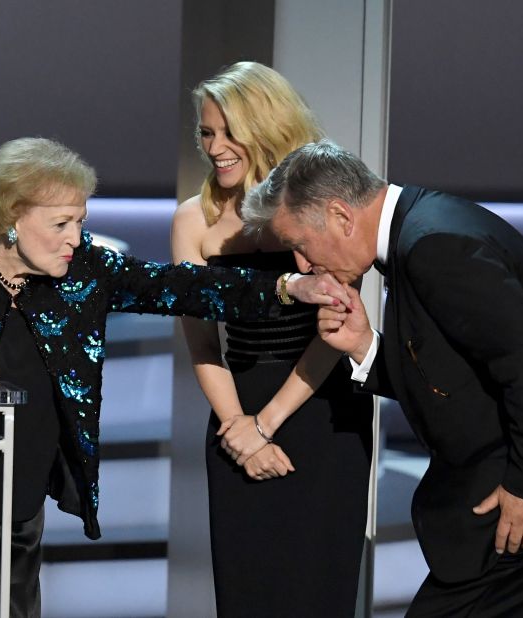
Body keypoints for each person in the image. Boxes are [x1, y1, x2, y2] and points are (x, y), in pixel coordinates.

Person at [0, 137, 342, 617]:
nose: (75, 238)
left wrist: (287, 289)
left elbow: (182, 287)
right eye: (62, 223)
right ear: (12, 216)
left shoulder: (88, 270)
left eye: (80, 222)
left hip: (10, 500)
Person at [240, 139, 523, 617]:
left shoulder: (435, 245)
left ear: (341, 216)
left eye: (299, 246)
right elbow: (455, 379)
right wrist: (365, 347)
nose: (302, 266)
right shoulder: (421, 230)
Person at [171, 62, 373, 616]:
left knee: (316, 590)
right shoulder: (194, 219)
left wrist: (266, 424)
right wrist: (239, 428)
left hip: (321, 410)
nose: (215, 148)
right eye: (206, 133)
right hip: (235, 415)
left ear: (267, 126)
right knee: (247, 591)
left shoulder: (323, 206)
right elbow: (202, 342)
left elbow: (336, 329)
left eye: (228, 131)